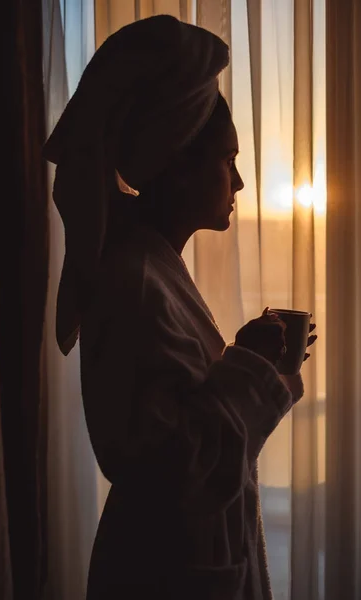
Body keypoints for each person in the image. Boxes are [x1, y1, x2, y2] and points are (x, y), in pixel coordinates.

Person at [44, 15, 317, 600]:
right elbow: (166, 469)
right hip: (165, 575)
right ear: (176, 164)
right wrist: (246, 363)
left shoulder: (153, 267)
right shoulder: (134, 282)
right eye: (227, 159)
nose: (240, 181)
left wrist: (264, 371)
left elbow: (197, 428)